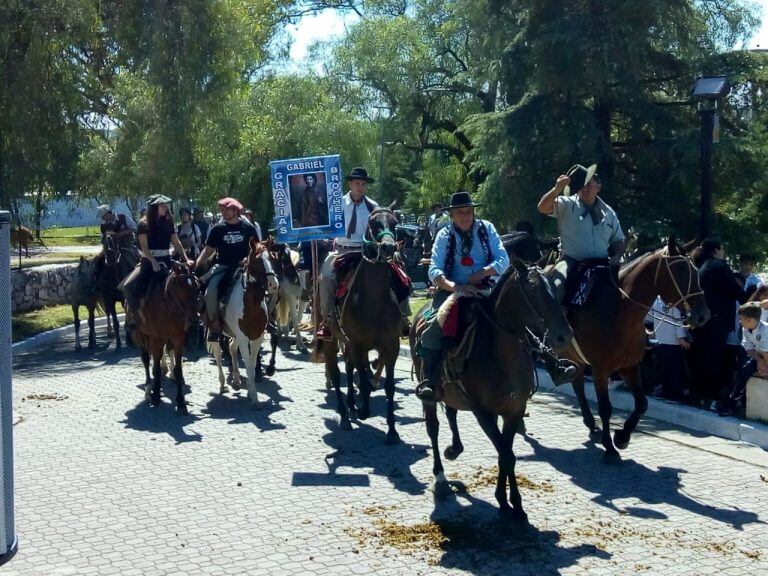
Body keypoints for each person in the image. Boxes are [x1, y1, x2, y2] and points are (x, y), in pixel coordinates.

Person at [414, 192, 576, 403]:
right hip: (453, 290)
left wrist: (483, 272)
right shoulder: (444, 235)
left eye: (468, 211)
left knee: (517, 314)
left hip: (487, 287)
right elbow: (434, 270)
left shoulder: (486, 229)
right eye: (460, 212)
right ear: (452, 215)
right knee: (437, 325)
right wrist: (457, 287)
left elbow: (502, 259)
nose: (465, 215)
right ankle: (431, 379)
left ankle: (551, 362)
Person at [537, 164, 625, 303]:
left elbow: (619, 239)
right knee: (557, 287)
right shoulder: (566, 204)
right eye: (581, 186)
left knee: (627, 286)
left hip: (602, 262)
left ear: (598, 187)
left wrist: (617, 256)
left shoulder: (609, 213)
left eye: (588, 184)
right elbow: (542, 207)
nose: (585, 188)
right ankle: (557, 324)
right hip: (571, 261)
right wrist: (556, 189)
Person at [317, 167, 384, 338]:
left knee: (393, 273)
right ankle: (327, 318)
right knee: (326, 278)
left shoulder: (373, 207)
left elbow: (378, 231)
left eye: (363, 184)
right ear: (350, 184)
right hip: (341, 252)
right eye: (357, 183)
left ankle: (399, 317)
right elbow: (326, 226)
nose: (360, 187)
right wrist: (322, 235)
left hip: (365, 252)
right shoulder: (337, 203)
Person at [689, 238, 748, 409]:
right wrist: (751, 300)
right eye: (722, 249)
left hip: (702, 321)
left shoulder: (701, 266)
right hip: (717, 321)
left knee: (701, 359)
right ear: (716, 250)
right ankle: (716, 397)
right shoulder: (719, 266)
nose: (724, 252)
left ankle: (700, 395)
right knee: (716, 361)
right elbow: (735, 290)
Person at [196, 197, 266, 340]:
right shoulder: (217, 229)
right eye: (222, 209)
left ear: (235, 210)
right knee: (210, 292)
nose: (223, 212)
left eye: (226, 209)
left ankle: (268, 318)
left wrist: (248, 258)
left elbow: (256, 249)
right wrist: (197, 263)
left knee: (267, 286)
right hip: (223, 267)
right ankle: (214, 324)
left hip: (243, 267)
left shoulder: (248, 228)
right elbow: (208, 250)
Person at [120, 195, 194, 327]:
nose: (165, 207)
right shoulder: (143, 224)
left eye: (165, 205)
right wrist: (153, 261)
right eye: (162, 205)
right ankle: (133, 315)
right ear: (153, 207)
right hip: (149, 260)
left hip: (166, 258)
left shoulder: (168, 221)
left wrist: (186, 259)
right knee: (130, 285)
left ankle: (188, 317)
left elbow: (176, 241)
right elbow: (144, 247)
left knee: (185, 283)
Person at [721, 302, 768, 416]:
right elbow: (749, 349)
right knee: (744, 371)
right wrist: (759, 361)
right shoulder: (746, 330)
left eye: (741, 319)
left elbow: (766, 351)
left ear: (750, 320)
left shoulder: (765, 330)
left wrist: (766, 368)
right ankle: (731, 405)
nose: (740, 322)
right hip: (761, 355)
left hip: (765, 355)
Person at [646, 296, 690, 402]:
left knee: (666, 368)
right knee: (672, 368)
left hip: (665, 340)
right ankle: (671, 393)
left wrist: (649, 330)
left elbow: (649, 318)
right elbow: (677, 321)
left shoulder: (657, 300)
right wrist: (681, 338)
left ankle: (669, 393)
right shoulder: (669, 301)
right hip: (669, 341)